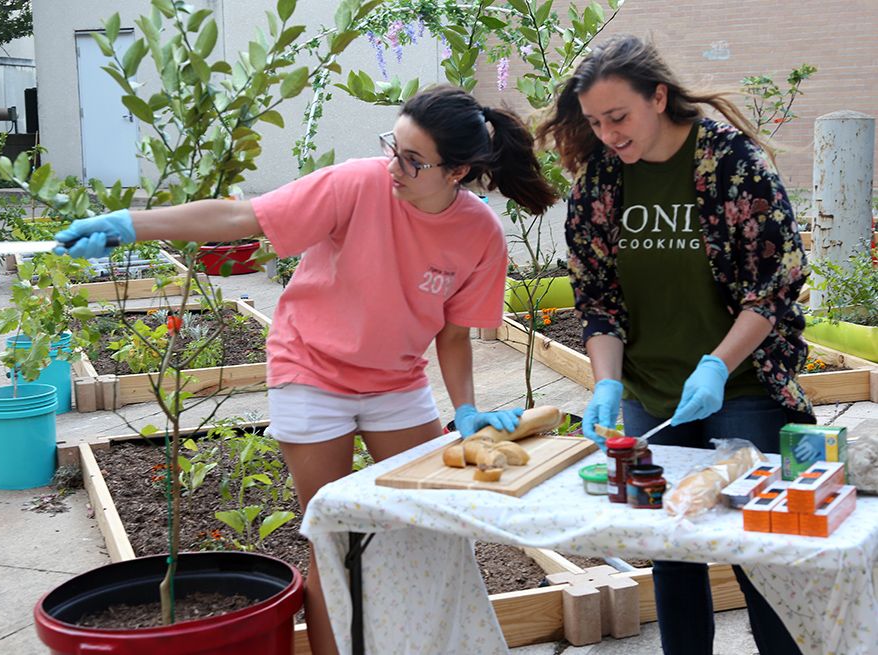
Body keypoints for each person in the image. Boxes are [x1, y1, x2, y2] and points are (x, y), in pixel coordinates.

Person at [55, 85, 558, 655]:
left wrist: (465, 408)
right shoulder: (357, 183)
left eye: (413, 161)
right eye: (393, 147)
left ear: (458, 171)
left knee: (430, 525)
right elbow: (243, 216)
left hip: (395, 381)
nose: (395, 166)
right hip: (311, 369)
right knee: (336, 543)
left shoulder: (479, 234)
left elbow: (454, 333)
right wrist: (133, 223)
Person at [536, 35, 814, 655]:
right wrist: (607, 380)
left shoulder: (732, 162)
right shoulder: (600, 185)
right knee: (671, 556)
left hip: (743, 391)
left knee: (759, 553)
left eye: (619, 117)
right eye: (595, 122)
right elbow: (598, 300)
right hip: (649, 398)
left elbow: (774, 284)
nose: (607, 134)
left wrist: (717, 363)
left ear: (658, 97)